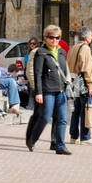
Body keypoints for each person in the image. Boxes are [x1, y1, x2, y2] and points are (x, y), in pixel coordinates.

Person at [27, 24, 71, 155]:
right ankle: (32, 140)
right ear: (46, 38)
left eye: (57, 38)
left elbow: (64, 70)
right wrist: (38, 92)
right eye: (51, 37)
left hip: (61, 90)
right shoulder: (41, 52)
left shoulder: (62, 52)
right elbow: (38, 74)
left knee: (62, 119)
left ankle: (60, 146)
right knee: (45, 117)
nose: (54, 40)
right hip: (47, 90)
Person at [68, 28, 92, 145]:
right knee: (86, 108)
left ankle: (74, 136)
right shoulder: (85, 48)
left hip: (73, 80)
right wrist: (90, 85)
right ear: (87, 37)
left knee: (77, 109)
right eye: (91, 36)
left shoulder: (74, 47)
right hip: (82, 81)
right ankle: (85, 137)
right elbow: (87, 68)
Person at [0, 58, 23, 123]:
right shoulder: (0, 69)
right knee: (11, 81)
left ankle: (14, 106)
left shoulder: (7, 75)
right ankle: (13, 105)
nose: (0, 61)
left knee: (12, 81)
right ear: (14, 71)